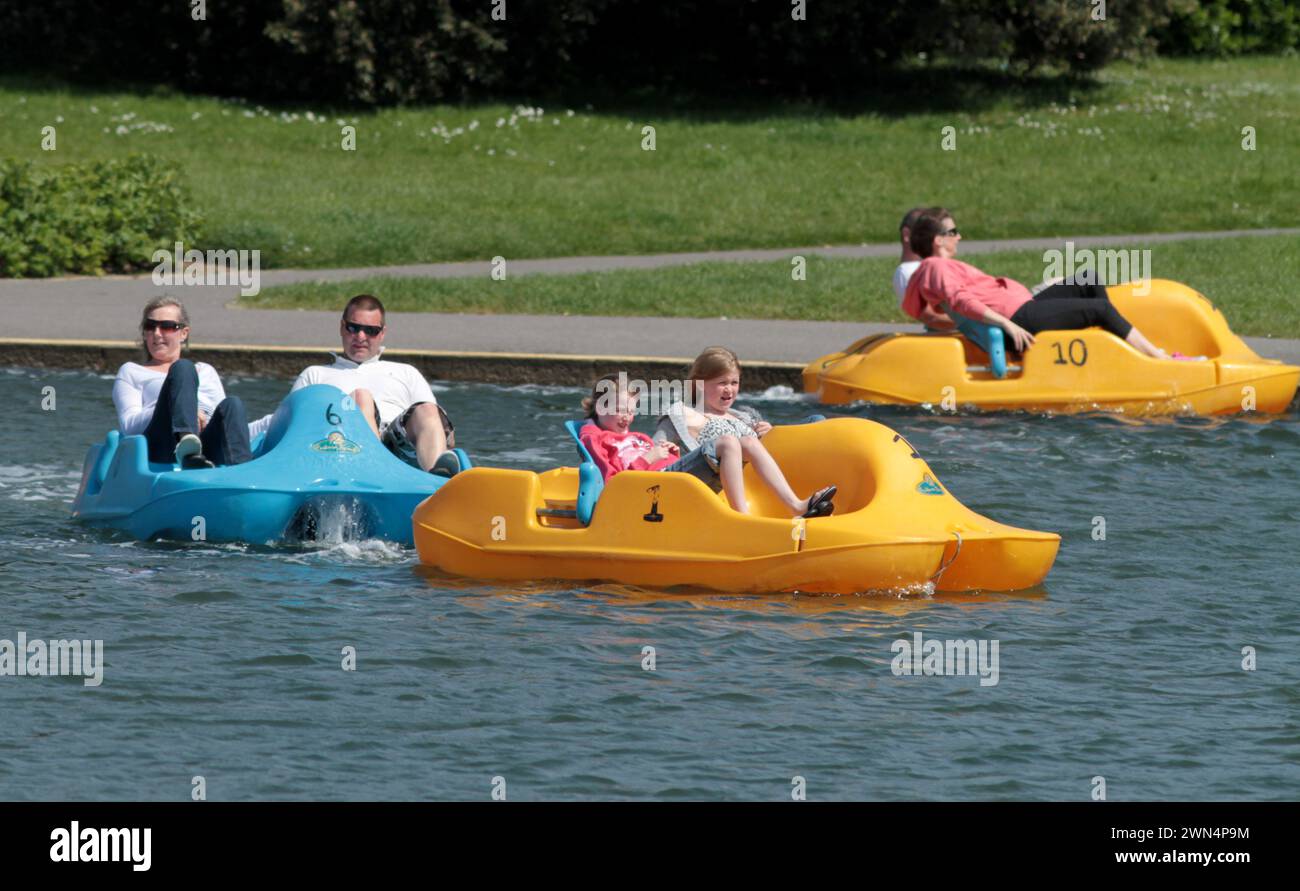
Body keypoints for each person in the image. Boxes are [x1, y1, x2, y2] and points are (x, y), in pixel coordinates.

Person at [903, 207, 1175, 359]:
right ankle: (1155, 357)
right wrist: (1005, 323)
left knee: (1087, 280)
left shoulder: (940, 267)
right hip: (1017, 320)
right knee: (1099, 310)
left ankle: (1108, 351)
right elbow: (960, 301)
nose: (959, 237)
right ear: (938, 240)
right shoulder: (935, 266)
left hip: (1022, 309)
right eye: (953, 231)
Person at [250, 294, 459, 475]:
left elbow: (441, 432)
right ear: (342, 327)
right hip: (342, 449)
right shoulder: (315, 374)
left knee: (427, 409)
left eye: (371, 331)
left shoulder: (406, 372)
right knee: (361, 399)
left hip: (401, 448)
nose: (360, 337)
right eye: (354, 328)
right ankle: (373, 472)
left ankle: (438, 482)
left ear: (382, 333)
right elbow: (288, 425)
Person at [652, 347, 836, 517]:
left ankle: (807, 501)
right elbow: (653, 453)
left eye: (734, 382)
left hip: (750, 473)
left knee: (815, 421)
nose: (729, 389)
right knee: (732, 442)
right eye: (722, 383)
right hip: (700, 476)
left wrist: (771, 433)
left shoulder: (743, 417)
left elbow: (760, 451)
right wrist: (663, 451)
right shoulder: (683, 414)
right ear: (700, 384)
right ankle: (743, 517)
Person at [112, 297, 252, 468]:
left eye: (167, 326)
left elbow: (226, 425)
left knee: (233, 404)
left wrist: (278, 419)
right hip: (162, 447)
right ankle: (187, 447)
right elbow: (129, 427)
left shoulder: (206, 371)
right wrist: (180, 408)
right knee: (183, 369)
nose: (157, 333)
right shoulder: (131, 371)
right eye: (150, 326)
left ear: (184, 333)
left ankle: (241, 471)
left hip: (206, 446)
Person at [893, 207, 954, 331]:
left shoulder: (938, 265)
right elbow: (933, 318)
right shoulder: (908, 271)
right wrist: (977, 319)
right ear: (907, 235)